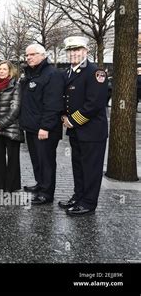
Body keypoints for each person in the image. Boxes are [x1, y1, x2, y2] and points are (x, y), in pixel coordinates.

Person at [59, 36, 108, 216]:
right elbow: (66, 99)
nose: (74, 53)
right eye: (70, 50)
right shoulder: (69, 73)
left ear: (86, 51)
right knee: (78, 166)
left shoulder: (96, 73)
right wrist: (64, 115)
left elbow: (95, 104)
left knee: (91, 169)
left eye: (77, 50)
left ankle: (88, 203)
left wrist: (71, 120)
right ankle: (78, 196)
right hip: (76, 132)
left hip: (92, 131)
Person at [20, 44, 64, 205]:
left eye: (32, 54)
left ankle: (46, 193)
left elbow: (53, 104)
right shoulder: (31, 74)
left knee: (46, 161)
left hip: (45, 129)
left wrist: (45, 127)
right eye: (27, 55)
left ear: (43, 55)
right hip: (32, 127)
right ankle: (40, 184)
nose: (29, 57)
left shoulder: (52, 74)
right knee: (37, 160)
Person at [0, 60, 24, 192]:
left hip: (12, 128)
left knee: (13, 159)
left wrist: (1, 124)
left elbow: (15, 108)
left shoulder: (16, 85)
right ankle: (0, 185)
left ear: (10, 71)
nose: (1, 71)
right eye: (0, 69)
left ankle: (11, 186)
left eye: (4, 69)